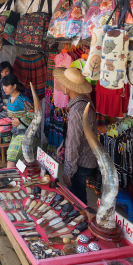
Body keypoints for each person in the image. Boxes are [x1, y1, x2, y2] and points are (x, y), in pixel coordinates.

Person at [53, 66, 98, 205]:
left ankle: (81, 222)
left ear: (69, 87)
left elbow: (74, 143)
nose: (58, 83)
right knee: (78, 195)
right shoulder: (84, 101)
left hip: (80, 161)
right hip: (85, 157)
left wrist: (68, 172)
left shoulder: (76, 110)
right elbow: (76, 135)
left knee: (76, 200)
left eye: (61, 82)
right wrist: (63, 144)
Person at [2, 74, 34, 169]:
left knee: (11, 158)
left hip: (25, 134)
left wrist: (20, 120)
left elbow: (34, 114)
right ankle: (16, 181)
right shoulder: (10, 98)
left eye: (6, 85)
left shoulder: (23, 100)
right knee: (20, 162)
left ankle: (9, 180)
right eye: (3, 85)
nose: (4, 88)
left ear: (14, 86)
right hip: (15, 133)